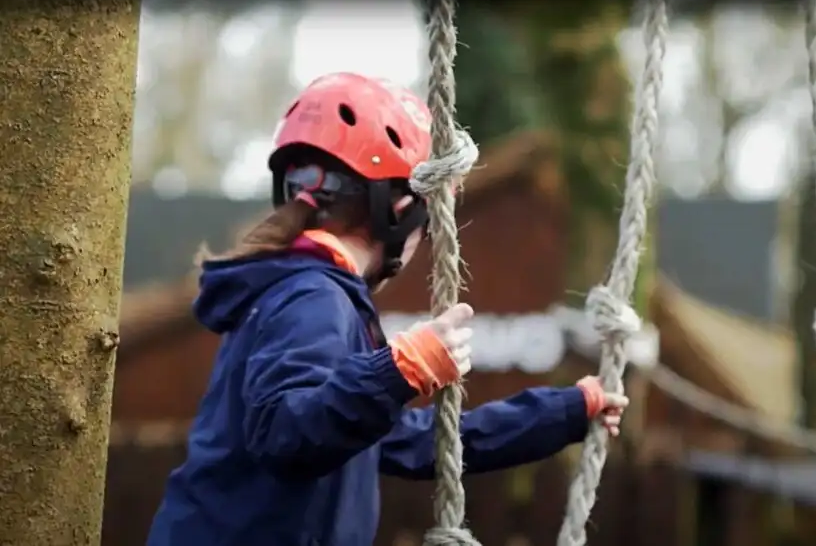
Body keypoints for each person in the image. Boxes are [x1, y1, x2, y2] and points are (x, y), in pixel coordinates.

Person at [145, 72, 629, 546]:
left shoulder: (293, 291)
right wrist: (400, 369)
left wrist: (565, 411)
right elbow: (285, 433)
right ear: (400, 213)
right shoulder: (313, 296)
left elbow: (414, 441)